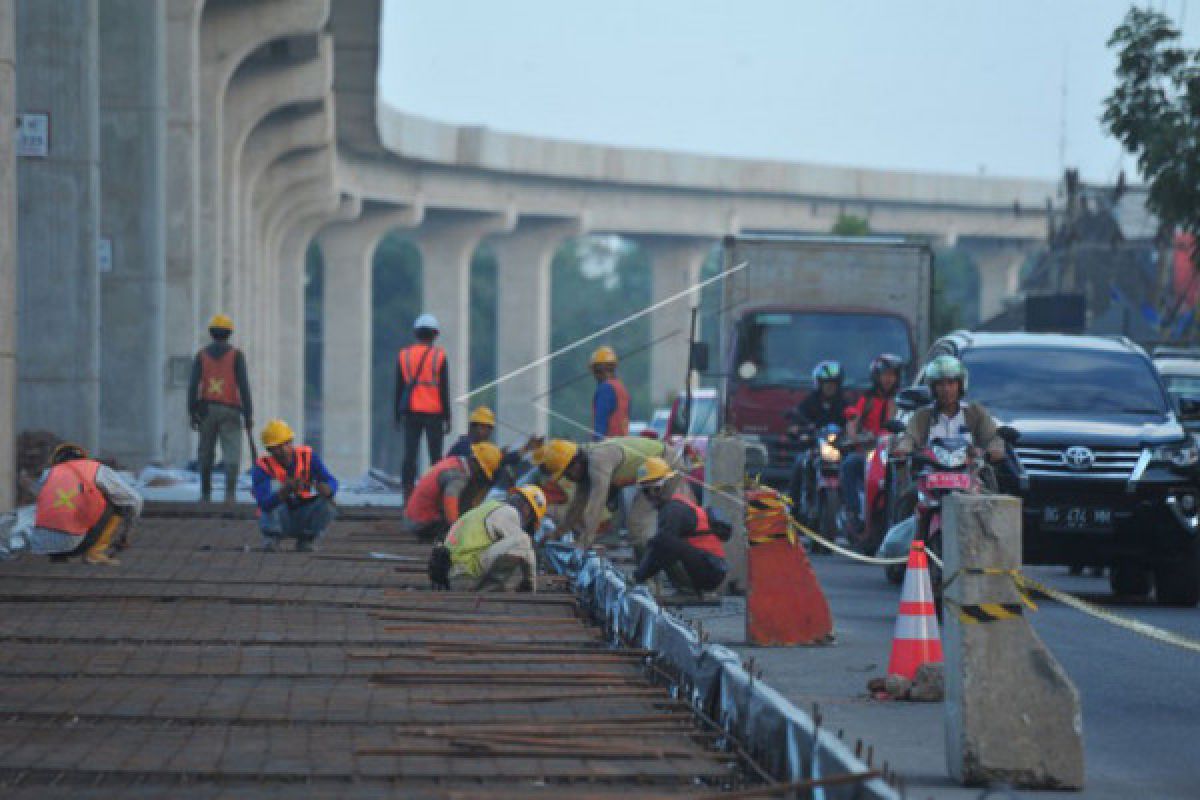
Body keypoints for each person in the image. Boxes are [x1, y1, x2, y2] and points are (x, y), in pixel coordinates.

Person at [539, 435, 688, 551]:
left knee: (638, 524)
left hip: (667, 464)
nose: (568, 478)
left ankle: (656, 581)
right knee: (643, 527)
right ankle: (649, 577)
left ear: (575, 463)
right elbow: (577, 506)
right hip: (655, 468)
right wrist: (557, 534)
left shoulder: (598, 461)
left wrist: (584, 543)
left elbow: (597, 503)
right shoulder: (585, 465)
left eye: (567, 473)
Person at [19, 443, 143, 565]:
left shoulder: (48, 474)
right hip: (78, 542)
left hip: (43, 545)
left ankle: (58, 557)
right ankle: (95, 553)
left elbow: (37, 495)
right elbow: (134, 499)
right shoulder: (96, 469)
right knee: (115, 502)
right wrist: (127, 534)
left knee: (47, 504)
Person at [631, 457, 728, 594]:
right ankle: (683, 585)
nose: (650, 496)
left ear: (665, 485)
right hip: (709, 566)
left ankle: (688, 588)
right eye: (645, 491)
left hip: (710, 572)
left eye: (653, 490)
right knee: (660, 543)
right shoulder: (673, 504)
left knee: (662, 542)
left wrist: (639, 576)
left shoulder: (672, 510)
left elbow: (661, 546)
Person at [429, 486, 547, 592]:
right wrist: (530, 585)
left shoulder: (488, 507)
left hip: (453, 573)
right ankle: (491, 587)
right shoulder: (509, 512)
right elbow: (525, 550)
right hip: (466, 575)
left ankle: (493, 586)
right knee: (523, 540)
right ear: (527, 509)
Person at [188, 313, 253, 503]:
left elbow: (193, 386)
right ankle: (230, 494)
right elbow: (244, 386)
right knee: (232, 452)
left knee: (206, 453)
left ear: (211, 333)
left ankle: (205, 493)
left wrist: (192, 411)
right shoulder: (236, 355)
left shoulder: (201, 355)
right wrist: (249, 415)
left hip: (207, 409)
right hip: (231, 409)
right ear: (229, 333)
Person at [892, 354, 1005, 462]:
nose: (946, 389)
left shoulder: (975, 412)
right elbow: (910, 437)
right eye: (940, 384)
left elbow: (992, 437)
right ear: (933, 387)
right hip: (930, 476)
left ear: (960, 385)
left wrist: (994, 450)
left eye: (951, 383)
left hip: (971, 475)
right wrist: (904, 448)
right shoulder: (923, 415)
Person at [250, 419, 338, 552]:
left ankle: (307, 539)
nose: (284, 450)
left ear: (291, 442)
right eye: (277, 447)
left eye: (286, 444)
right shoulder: (262, 467)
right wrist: (283, 492)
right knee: (272, 491)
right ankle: (272, 539)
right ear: (269, 450)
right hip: (280, 516)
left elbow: (330, 479)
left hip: (303, 512)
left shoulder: (307, 457)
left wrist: (329, 489)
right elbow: (264, 504)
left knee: (329, 504)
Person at [840, 354, 903, 528]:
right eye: (884, 374)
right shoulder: (866, 399)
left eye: (892, 375)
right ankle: (853, 512)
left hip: (893, 454)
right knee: (850, 464)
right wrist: (853, 434)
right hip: (868, 452)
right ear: (876, 376)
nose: (888, 379)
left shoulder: (902, 400)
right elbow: (853, 419)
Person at [400, 442, 502, 542]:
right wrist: (460, 532)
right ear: (477, 465)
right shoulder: (457, 476)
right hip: (422, 523)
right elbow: (450, 506)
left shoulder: (453, 461)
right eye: (482, 472)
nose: (481, 476)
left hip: (414, 517)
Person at [396, 313, 450, 499]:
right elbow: (444, 389)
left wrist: (397, 415)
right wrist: (448, 417)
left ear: (416, 333)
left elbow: (399, 387)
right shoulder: (439, 356)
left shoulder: (404, 355)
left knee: (409, 456)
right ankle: (435, 495)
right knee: (435, 457)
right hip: (434, 412)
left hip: (411, 412)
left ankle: (408, 495)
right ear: (435, 334)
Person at [787, 361, 851, 514]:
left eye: (833, 384)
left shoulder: (844, 403)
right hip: (814, 447)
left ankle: (852, 510)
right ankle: (793, 508)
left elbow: (852, 420)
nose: (830, 387)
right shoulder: (810, 401)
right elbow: (797, 419)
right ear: (819, 384)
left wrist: (851, 433)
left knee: (851, 466)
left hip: (837, 448)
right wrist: (797, 429)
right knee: (799, 463)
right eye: (826, 384)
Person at [590, 345, 630, 440]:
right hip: (622, 446)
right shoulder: (622, 389)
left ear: (599, 369)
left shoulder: (605, 389)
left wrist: (595, 447)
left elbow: (600, 426)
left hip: (607, 446)